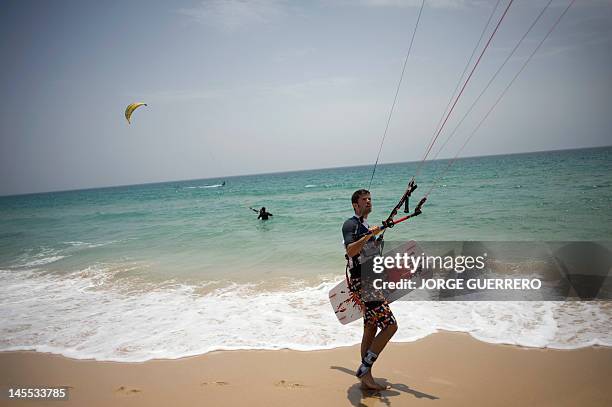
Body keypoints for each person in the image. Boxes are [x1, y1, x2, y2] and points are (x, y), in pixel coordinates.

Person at [342, 189, 397, 391]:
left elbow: (368, 253)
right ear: (355, 205)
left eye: (370, 199)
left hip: (371, 281)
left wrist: (376, 237)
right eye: (364, 200)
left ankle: (366, 378)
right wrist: (369, 236)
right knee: (391, 326)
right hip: (364, 283)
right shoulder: (351, 224)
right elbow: (350, 250)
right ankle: (365, 368)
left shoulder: (365, 226)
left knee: (371, 327)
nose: (368, 202)